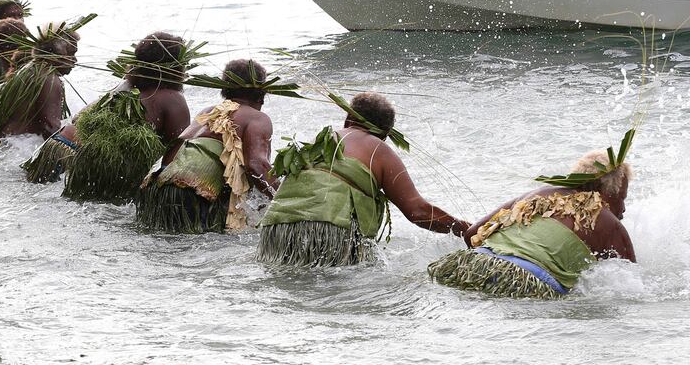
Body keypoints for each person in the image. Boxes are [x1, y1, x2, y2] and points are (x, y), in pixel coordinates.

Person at [256, 92, 470, 267]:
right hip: (328, 231)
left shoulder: (317, 141)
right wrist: (465, 229)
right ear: (385, 134)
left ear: (348, 119)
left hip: (276, 229)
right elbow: (417, 211)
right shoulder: (380, 149)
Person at [428, 144, 635, 298]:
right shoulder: (611, 226)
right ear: (607, 192)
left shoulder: (539, 193)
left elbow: (471, 234)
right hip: (527, 282)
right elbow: (631, 283)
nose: (623, 208)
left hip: (469, 264)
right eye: (622, 198)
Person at [39, 32, 191, 202]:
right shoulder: (173, 99)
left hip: (65, 146)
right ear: (176, 66)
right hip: (113, 172)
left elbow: (78, 119)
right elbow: (177, 157)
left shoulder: (125, 86)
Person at [136, 58, 277, 233]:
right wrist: (284, 198)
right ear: (262, 94)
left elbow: (177, 145)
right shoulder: (257, 118)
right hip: (194, 192)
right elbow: (256, 166)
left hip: (155, 188)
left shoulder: (208, 112)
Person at [0, 23, 82, 157]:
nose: (75, 60)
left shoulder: (27, 71)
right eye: (71, 53)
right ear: (55, 53)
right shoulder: (50, 79)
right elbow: (51, 129)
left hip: (3, 148)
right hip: (18, 152)